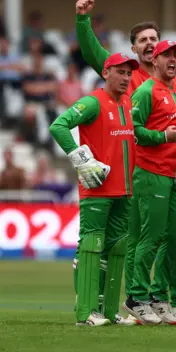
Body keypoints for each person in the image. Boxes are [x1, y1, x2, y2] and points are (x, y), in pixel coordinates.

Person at [74, 0, 176, 323]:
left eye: (153, 40)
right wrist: (84, 21)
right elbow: (92, 54)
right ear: (133, 47)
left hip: (161, 169)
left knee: (164, 238)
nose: (149, 44)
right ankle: (123, 300)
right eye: (143, 40)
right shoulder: (126, 75)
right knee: (130, 241)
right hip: (134, 169)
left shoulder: (171, 82)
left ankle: (149, 297)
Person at [48, 53, 139, 326]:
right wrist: (80, 159)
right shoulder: (92, 102)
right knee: (90, 246)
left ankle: (108, 312)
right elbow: (58, 125)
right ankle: (86, 312)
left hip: (124, 190)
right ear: (106, 72)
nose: (125, 78)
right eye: (120, 72)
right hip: (98, 189)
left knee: (116, 249)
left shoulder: (127, 103)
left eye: (128, 73)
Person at [123, 40, 176, 326]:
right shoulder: (145, 91)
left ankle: (161, 298)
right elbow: (133, 132)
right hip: (151, 174)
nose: (173, 60)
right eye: (167, 56)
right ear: (154, 61)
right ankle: (136, 298)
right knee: (151, 238)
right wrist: (163, 138)